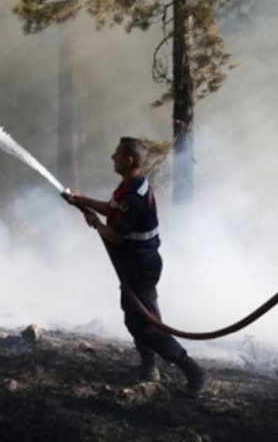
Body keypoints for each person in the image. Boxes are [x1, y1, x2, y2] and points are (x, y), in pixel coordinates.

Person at [63, 136, 205, 396]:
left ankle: (193, 371)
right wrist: (82, 201)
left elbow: (115, 235)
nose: (112, 157)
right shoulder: (130, 185)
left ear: (128, 160)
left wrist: (95, 222)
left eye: (116, 154)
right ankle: (149, 366)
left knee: (148, 325)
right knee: (134, 319)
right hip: (135, 264)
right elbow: (111, 209)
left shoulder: (133, 197)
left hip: (141, 266)